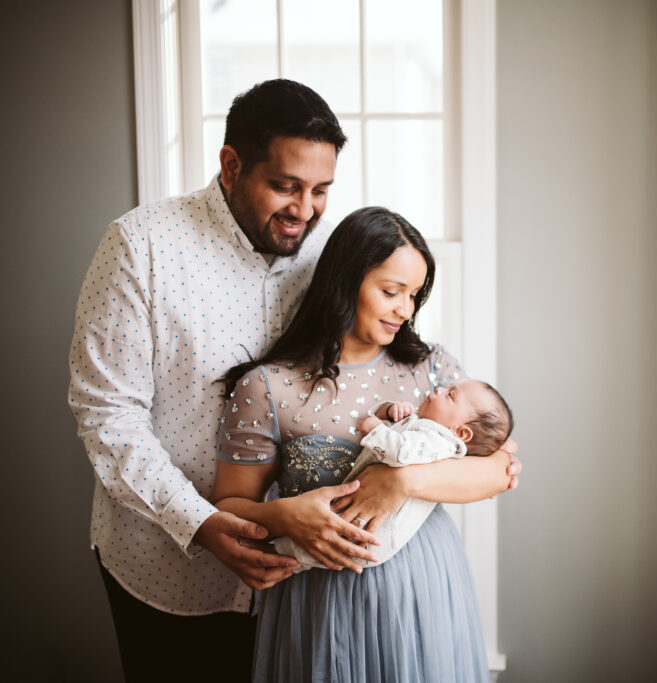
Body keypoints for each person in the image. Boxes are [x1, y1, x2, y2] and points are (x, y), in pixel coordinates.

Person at [68, 79, 519, 682]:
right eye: (285, 186)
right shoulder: (142, 246)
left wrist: (402, 479)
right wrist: (201, 523)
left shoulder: (338, 257)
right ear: (231, 165)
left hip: (306, 583)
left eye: (321, 191)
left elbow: (482, 444)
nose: (304, 210)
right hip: (170, 563)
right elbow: (107, 416)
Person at [211, 206, 512, 682]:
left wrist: (404, 482)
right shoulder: (268, 386)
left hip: (424, 590)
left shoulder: (433, 371)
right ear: (343, 281)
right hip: (317, 603)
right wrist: (283, 515)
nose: (405, 310)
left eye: (414, 295)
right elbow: (227, 505)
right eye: (391, 292)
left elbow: (501, 469)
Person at [271, 381, 514, 570]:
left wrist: (377, 430)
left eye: (450, 395)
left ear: (461, 432)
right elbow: (402, 433)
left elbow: (401, 453)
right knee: (326, 539)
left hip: (379, 534)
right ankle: (282, 554)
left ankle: (279, 555)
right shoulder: (426, 426)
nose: (439, 389)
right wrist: (390, 411)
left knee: (329, 546)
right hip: (364, 518)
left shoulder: (440, 442)